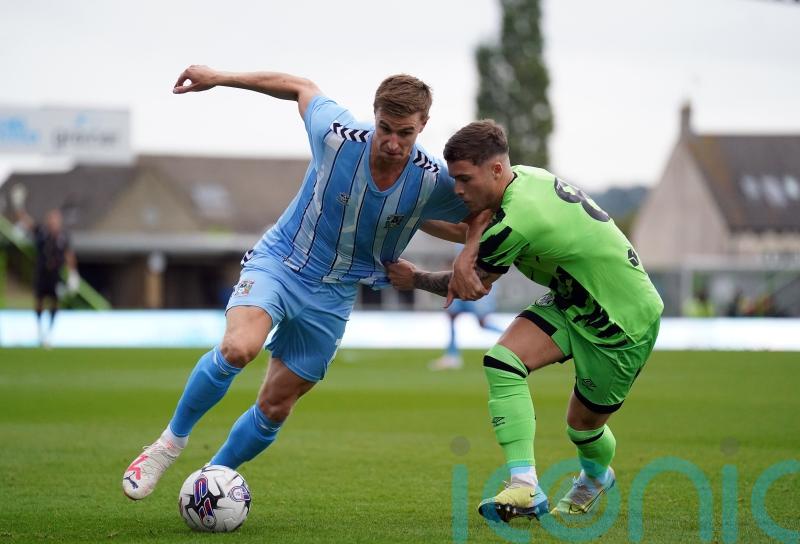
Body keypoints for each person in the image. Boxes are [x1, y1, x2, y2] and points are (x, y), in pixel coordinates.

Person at [121, 65, 479, 500]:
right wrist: (218, 77)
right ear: (374, 114)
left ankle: (210, 481)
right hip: (282, 263)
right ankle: (166, 446)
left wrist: (469, 252)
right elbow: (300, 87)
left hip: (335, 293)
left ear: (423, 125)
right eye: (385, 127)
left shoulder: (431, 179)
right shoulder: (337, 135)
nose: (392, 142)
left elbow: (479, 213)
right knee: (238, 348)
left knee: (275, 406)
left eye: (405, 133)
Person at [386, 120, 663, 522]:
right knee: (502, 361)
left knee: (582, 428)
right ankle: (525, 486)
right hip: (573, 300)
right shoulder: (524, 180)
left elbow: (471, 286)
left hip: (621, 320)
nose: (458, 190)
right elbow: (470, 227)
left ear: (495, 170)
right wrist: (404, 213)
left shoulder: (519, 220)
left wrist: (413, 279)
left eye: (464, 179)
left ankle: (596, 475)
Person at [11, 185, 80, 348]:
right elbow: (25, 221)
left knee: (55, 302)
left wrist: (73, 274)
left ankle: (49, 332)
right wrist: (19, 207)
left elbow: (69, 255)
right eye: (51, 219)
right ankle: (40, 330)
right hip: (41, 273)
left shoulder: (64, 237)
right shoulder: (41, 231)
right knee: (39, 302)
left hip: (55, 275)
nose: (53, 222)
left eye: (56, 219)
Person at [430, 244, 503, 371]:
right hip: (462, 282)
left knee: (483, 323)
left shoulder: (482, 234)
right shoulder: (463, 235)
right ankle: (452, 356)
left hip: (479, 283)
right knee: (451, 316)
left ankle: (514, 341)